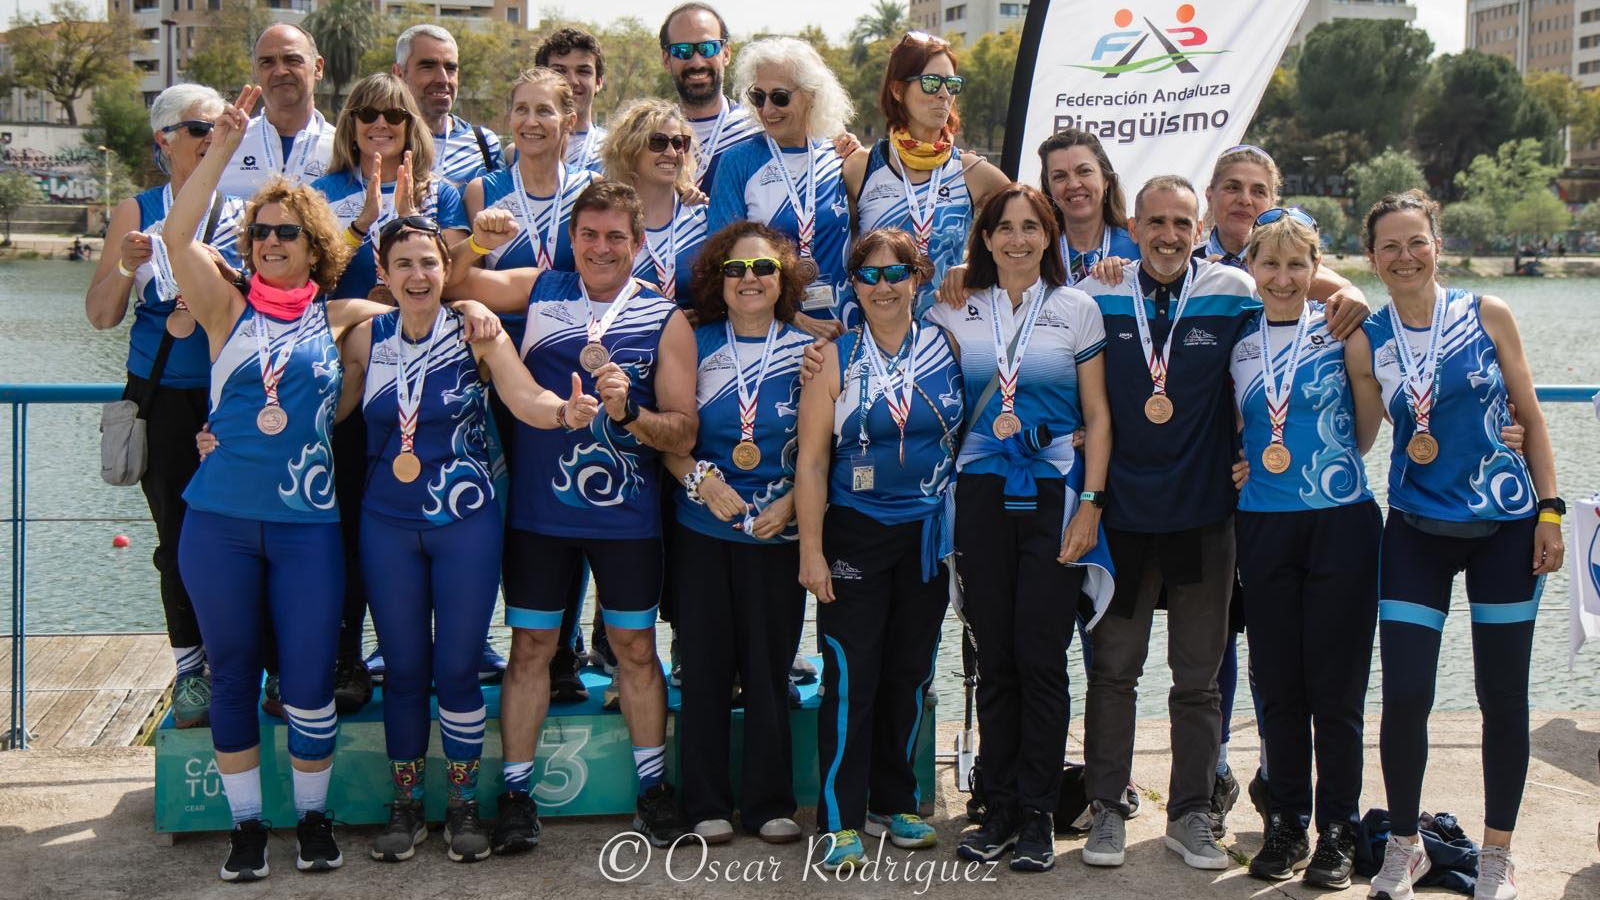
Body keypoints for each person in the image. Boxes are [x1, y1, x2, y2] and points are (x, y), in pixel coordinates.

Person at [163, 85, 493, 882]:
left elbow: (423, 293)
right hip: (219, 521)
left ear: (315, 247)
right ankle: (247, 828)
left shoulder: (347, 318)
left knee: (310, 679)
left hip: (308, 526)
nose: (271, 241)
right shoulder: (224, 310)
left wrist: (475, 305)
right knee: (233, 674)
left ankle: (312, 819)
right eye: (260, 232)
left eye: (287, 232)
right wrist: (219, 149)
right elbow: (177, 235)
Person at [444, 180, 697, 852]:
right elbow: (450, 283)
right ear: (572, 239)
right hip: (539, 516)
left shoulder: (665, 318)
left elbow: (683, 430)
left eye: (616, 236)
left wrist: (631, 412)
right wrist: (476, 265)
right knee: (531, 648)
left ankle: (653, 791)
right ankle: (517, 796)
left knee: (635, 651)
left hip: (627, 521)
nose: (601, 248)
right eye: (589, 234)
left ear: (638, 242)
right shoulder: (541, 289)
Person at [338, 217, 598, 864]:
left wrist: (563, 413)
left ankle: (461, 806)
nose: (418, 275)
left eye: (429, 262)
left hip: (466, 523)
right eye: (403, 264)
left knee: (456, 669)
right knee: (404, 671)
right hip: (386, 524)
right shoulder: (366, 335)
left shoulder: (476, 332)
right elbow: (331, 407)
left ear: (444, 269)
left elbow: (523, 396)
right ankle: (405, 807)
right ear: (384, 271)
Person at [1361, 190, 1562, 900]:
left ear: (1437, 245)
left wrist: (1551, 512)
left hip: (1506, 528)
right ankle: (1405, 847)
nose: (1405, 256)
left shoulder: (1488, 313)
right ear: (1372, 258)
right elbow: (1357, 433)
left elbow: (1532, 416)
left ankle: (1497, 856)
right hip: (1415, 530)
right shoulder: (1368, 335)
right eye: (1390, 246)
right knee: (1406, 694)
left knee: (1502, 696)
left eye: (1416, 241)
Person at [1073, 175, 1266, 873]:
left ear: (1201, 227)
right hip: (1121, 517)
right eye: (1155, 221)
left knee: (1199, 679)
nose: (1169, 235)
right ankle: (1107, 808)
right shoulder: (1096, 294)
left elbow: (1288, 332)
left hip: (1203, 516)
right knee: (1114, 672)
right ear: (1132, 226)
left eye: (1182, 223)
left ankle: (1190, 814)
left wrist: (1349, 296)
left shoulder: (1234, 292)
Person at [924, 184, 1112, 872]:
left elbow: (1098, 415)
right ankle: (997, 806)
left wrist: (1091, 503)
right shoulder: (952, 306)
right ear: (985, 237)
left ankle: (1037, 812)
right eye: (1004, 227)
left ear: (1049, 236)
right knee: (994, 656)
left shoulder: (1076, 308)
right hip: (978, 492)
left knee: (1041, 656)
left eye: (1031, 227)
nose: (1018, 239)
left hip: (1053, 492)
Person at [794, 228, 964, 872]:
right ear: (854, 287)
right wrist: (811, 552)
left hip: (926, 535)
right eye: (869, 276)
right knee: (850, 676)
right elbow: (812, 463)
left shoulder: (947, 345)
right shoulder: (832, 357)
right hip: (855, 532)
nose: (883, 287)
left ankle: (894, 802)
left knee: (910, 672)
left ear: (918, 279)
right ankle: (838, 817)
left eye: (896, 274)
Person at [1227, 208, 1384, 888]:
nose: (1283, 277)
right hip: (1263, 524)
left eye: (1297, 264)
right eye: (1270, 263)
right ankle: (1287, 821)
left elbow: (1368, 427)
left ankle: (1339, 829)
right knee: (1278, 685)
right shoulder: (1238, 338)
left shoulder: (1343, 327)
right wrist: (1239, 461)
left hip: (1340, 521)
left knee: (1336, 690)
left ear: (1317, 268)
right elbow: (1228, 424)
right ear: (1251, 267)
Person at [84, 83, 248, 730]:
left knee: (246, 536)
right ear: (165, 140)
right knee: (177, 540)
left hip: (234, 394)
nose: (212, 138)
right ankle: (190, 668)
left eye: (220, 128)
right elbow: (101, 316)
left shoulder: (244, 211)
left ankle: (243, 662)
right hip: (163, 399)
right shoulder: (139, 209)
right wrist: (127, 268)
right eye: (199, 129)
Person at [310, 73, 472, 711]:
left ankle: (443, 654)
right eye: (367, 113)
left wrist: (411, 219)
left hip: (436, 384)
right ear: (350, 124)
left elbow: (460, 275)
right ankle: (346, 653)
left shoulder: (444, 193)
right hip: (358, 378)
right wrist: (364, 225)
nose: (381, 124)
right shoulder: (323, 193)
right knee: (348, 523)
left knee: (434, 524)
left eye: (395, 115)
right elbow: (307, 285)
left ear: (412, 127)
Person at [666, 221, 813, 845]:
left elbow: (825, 445)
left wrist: (795, 503)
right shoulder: (692, 340)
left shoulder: (812, 349)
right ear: (717, 280)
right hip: (703, 529)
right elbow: (667, 436)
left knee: (769, 669)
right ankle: (704, 802)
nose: (749, 279)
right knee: (704, 668)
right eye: (735, 269)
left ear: (784, 279)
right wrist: (701, 481)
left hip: (778, 533)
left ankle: (768, 802)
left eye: (763, 269)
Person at [844, 31, 1007, 317]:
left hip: (949, 333)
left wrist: (972, 267)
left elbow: (1030, 230)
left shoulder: (972, 171)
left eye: (951, 84)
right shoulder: (861, 166)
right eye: (931, 83)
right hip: (877, 330)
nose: (944, 94)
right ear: (898, 90)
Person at [710, 37, 854, 341]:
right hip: (769, 333)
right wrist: (792, 317)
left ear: (812, 94)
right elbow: (722, 260)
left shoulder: (841, 155)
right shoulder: (738, 161)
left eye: (779, 97)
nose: (767, 109)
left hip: (842, 325)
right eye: (757, 97)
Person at [603, 98, 708, 305]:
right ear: (630, 150)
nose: (671, 153)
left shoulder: (704, 218)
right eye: (658, 142)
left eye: (678, 143)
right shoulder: (606, 223)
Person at [217, 24, 335, 197]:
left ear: (318, 68)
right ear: (255, 72)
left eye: (292, 60)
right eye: (267, 62)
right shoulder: (226, 146)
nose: (280, 71)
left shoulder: (343, 149)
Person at [659, 2, 762, 191]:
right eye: (683, 50)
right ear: (666, 59)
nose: (697, 62)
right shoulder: (652, 139)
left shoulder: (757, 131)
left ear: (726, 54)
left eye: (708, 48)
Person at [392, 24, 502, 187]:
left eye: (451, 68)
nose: (442, 79)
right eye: (428, 67)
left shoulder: (485, 145)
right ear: (399, 74)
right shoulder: (380, 142)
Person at [537, 27, 608, 175]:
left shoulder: (615, 150)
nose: (572, 81)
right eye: (559, 71)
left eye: (583, 71)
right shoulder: (519, 152)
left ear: (599, 82)